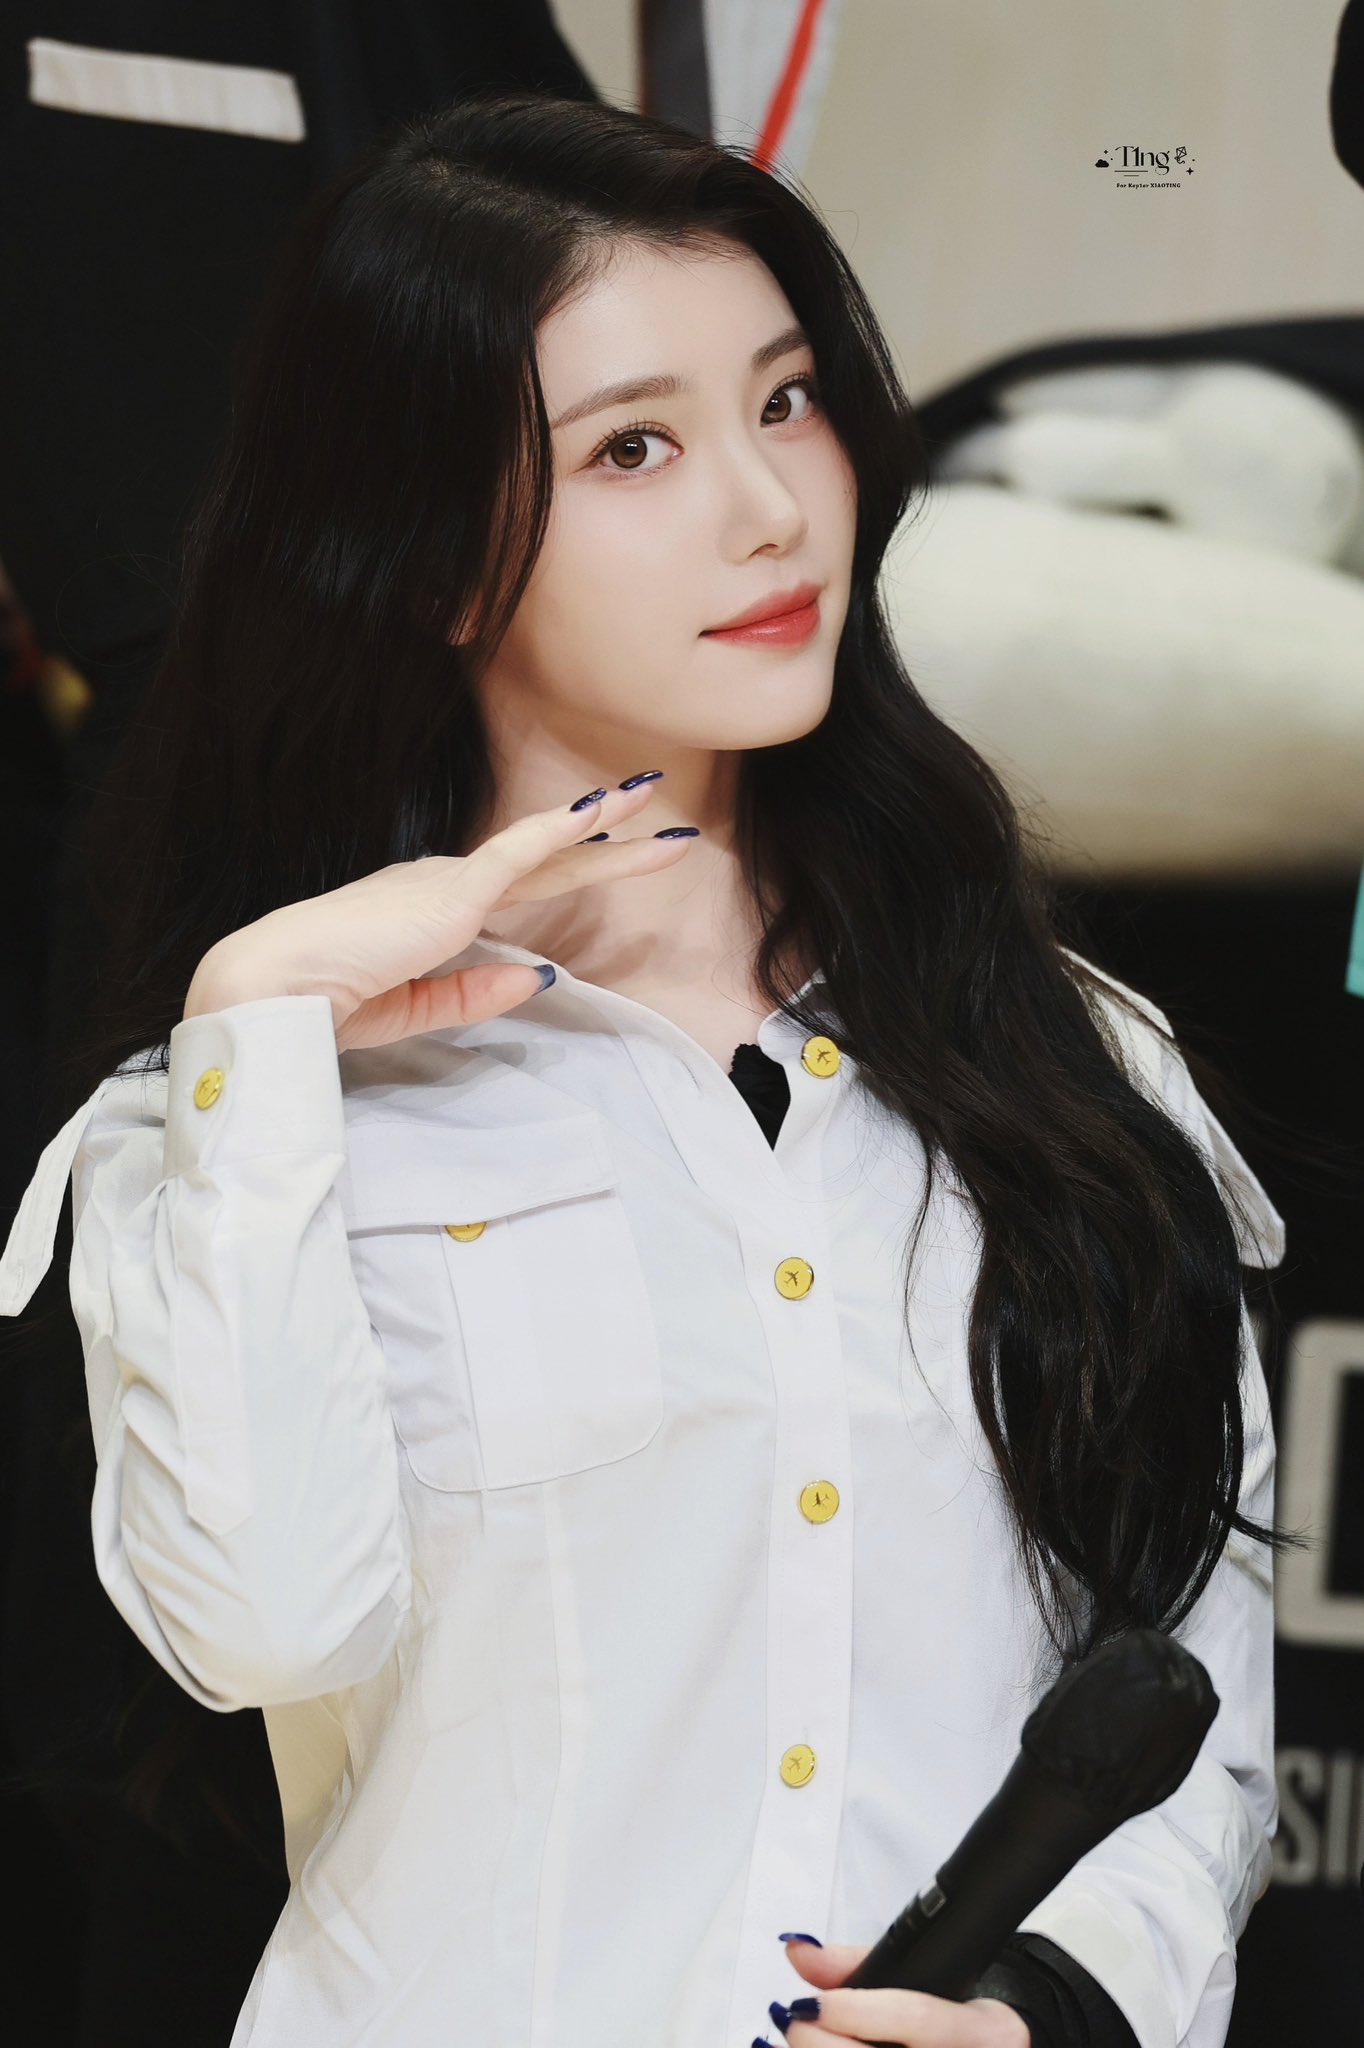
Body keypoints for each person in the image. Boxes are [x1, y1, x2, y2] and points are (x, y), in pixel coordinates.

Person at [0, 89, 1287, 2048]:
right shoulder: (259, 1117)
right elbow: (251, 1628)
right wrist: (251, 1022)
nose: (769, 506)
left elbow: (1184, 1685)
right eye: (634, 446)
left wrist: (1055, 2007)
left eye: (787, 400)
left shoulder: (1078, 1063)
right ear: (428, 549)